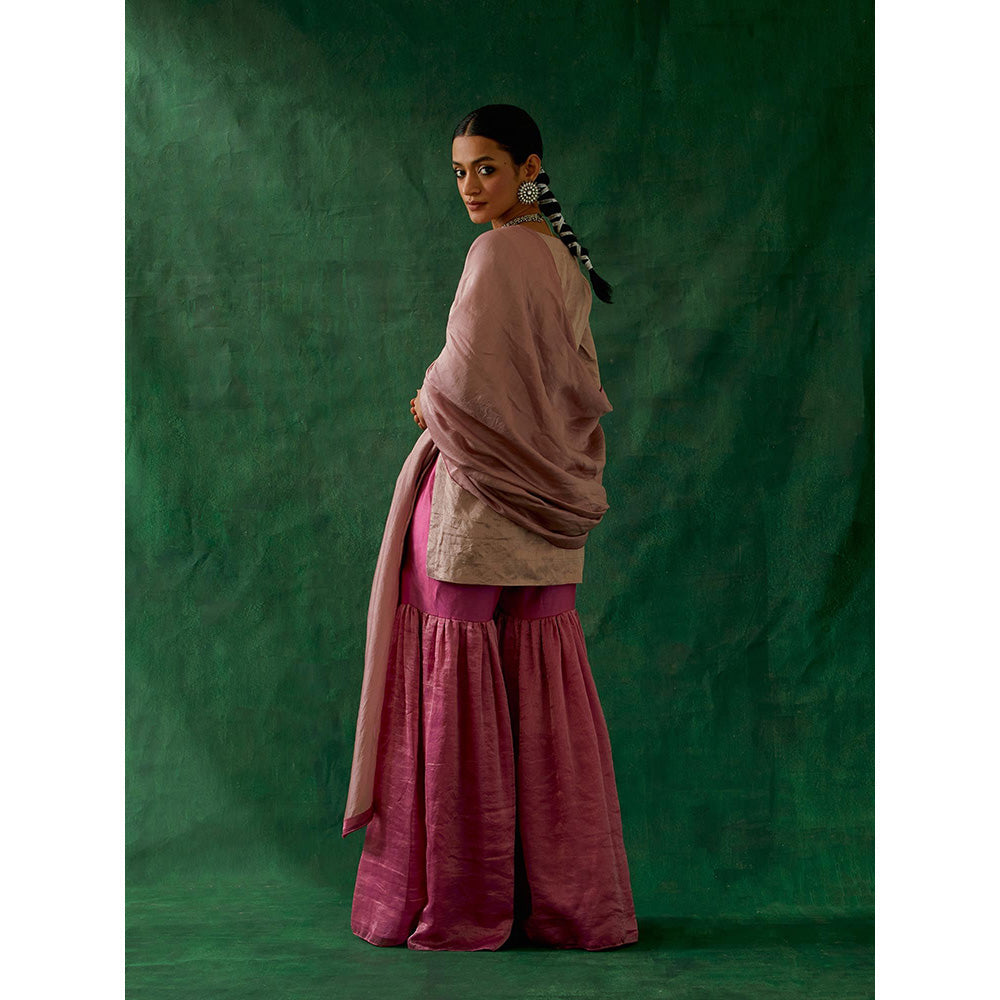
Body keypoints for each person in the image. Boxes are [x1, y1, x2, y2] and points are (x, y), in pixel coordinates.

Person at [343, 104, 638, 952]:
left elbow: (467, 379)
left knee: (457, 692)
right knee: (546, 693)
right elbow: (561, 388)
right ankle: (570, 905)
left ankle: (463, 903)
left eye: (487, 168)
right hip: (552, 499)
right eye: (459, 172)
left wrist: (426, 401)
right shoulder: (563, 260)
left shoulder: (498, 252)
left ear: (528, 170)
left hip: (476, 500)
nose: (470, 186)